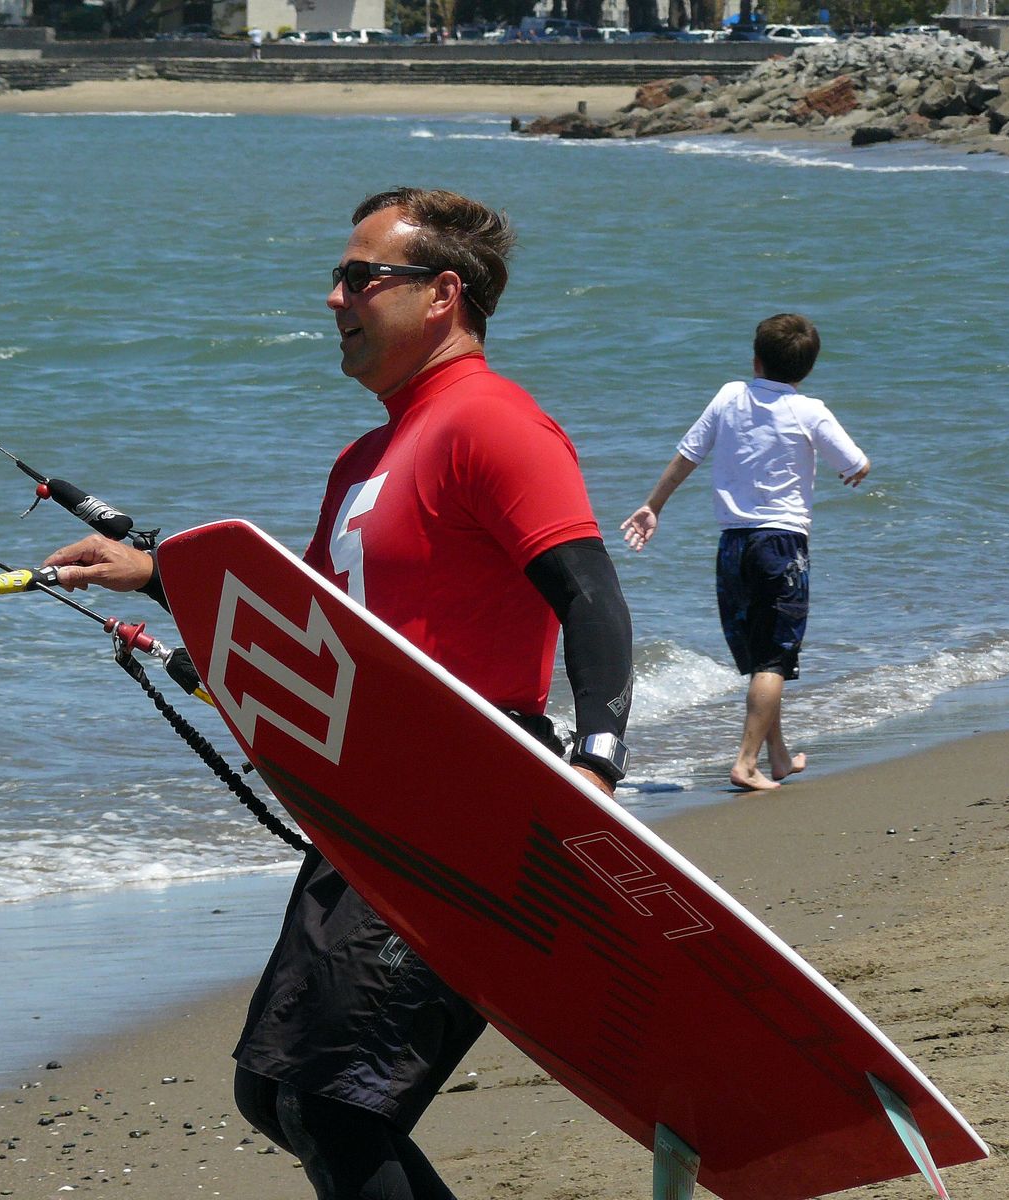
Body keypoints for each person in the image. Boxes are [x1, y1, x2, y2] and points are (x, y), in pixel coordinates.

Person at [44, 187, 633, 1200]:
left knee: (334, 1105)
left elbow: (590, 595)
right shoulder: (365, 459)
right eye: (338, 277)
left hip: (473, 803)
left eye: (362, 278)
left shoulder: (495, 424)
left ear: (442, 294)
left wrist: (597, 766)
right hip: (371, 805)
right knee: (273, 1091)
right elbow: (307, 630)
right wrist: (158, 577)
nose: (335, 299)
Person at [620, 313, 870, 792]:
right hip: (781, 545)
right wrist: (857, 470)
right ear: (807, 369)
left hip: (733, 546)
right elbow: (856, 462)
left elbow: (689, 454)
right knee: (774, 659)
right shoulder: (810, 410)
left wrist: (654, 505)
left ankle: (778, 756)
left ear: (756, 360)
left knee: (761, 658)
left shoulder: (729, 396)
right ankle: (746, 762)